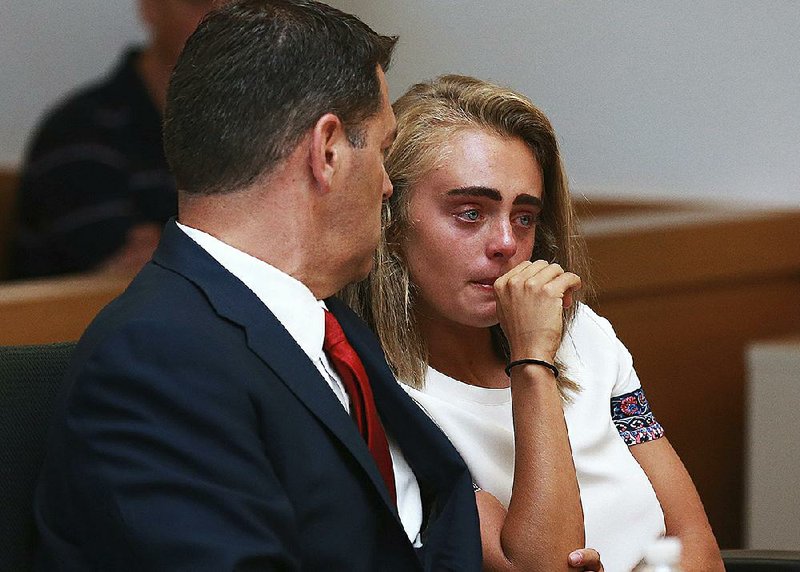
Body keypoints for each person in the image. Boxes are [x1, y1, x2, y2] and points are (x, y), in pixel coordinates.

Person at [30, 2, 485, 569]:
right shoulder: (154, 362)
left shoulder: (330, 322)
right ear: (327, 152)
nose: (389, 187)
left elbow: (427, 520)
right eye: (385, 151)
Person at [344, 75, 724, 572]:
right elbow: (539, 566)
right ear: (390, 221)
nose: (505, 242)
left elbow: (694, 541)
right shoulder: (380, 395)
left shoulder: (584, 335)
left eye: (523, 217)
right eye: (469, 213)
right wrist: (531, 361)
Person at [9, 0, 216, 279]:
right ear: (152, 8)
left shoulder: (258, 127)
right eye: (200, 4)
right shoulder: (79, 132)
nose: (225, 18)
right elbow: (132, 274)